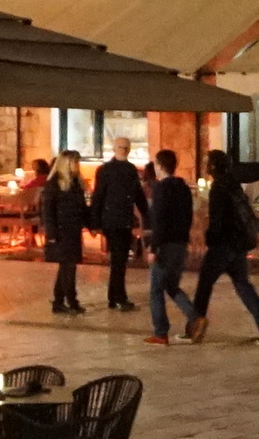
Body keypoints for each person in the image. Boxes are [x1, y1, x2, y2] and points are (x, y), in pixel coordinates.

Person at [185, 150, 259, 345]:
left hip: (223, 245)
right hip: (238, 244)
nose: (204, 166)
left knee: (204, 285)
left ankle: (194, 328)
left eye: (207, 163)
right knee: (243, 285)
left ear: (212, 167)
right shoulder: (234, 185)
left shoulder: (218, 188)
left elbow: (218, 220)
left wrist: (210, 239)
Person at [143, 149, 195, 345]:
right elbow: (189, 215)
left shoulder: (161, 189)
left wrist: (153, 247)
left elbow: (159, 220)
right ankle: (195, 317)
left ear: (159, 165)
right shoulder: (183, 188)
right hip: (180, 242)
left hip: (165, 245)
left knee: (156, 289)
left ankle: (161, 332)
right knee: (171, 285)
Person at [90, 139, 148, 312]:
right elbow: (98, 196)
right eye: (121, 147)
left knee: (120, 259)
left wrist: (147, 215)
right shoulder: (105, 170)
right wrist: (95, 222)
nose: (124, 150)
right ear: (114, 149)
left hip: (124, 220)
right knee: (119, 259)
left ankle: (114, 296)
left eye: (126, 148)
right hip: (112, 220)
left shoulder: (131, 170)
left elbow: (138, 194)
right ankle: (118, 297)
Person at [41, 152, 91, 315]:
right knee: (68, 266)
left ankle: (59, 302)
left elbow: (82, 207)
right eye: (75, 162)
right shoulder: (54, 183)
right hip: (62, 231)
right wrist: (52, 234)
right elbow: (48, 211)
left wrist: (90, 224)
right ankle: (71, 301)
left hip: (73, 229)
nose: (77, 166)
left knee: (67, 266)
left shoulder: (76, 182)